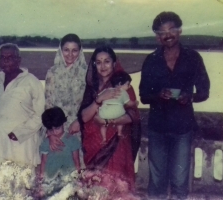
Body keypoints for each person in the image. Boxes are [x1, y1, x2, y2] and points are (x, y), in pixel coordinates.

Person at [139, 11, 210, 199]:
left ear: (179, 31)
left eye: (171, 30)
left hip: (183, 128)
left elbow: (204, 92)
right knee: (157, 181)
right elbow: (144, 96)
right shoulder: (151, 61)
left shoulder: (193, 58)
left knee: (180, 181)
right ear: (157, 36)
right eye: (162, 32)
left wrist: (190, 96)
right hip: (157, 128)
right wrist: (157, 95)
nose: (167, 35)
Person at [78, 45, 139, 197]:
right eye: (98, 62)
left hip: (116, 144)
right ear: (94, 65)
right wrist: (99, 99)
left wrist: (108, 122)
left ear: (114, 63)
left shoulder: (123, 85)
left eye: (107, 61)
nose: (103, 66)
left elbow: (133, 115)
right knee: (96, 189)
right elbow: (84, 117)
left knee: (116, 187)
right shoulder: (91, 87)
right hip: (94, 145)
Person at [0, 43, 45, 168]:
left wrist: (20, 133)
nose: (6, 61)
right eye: (3, 57)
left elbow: (41, 115)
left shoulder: (31, 81)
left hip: (22, 144)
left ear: (19, 60)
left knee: (21, 184)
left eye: (10, 57)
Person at [44, 33, 88, 153]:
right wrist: (50, 131)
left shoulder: (86, 73)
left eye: (74, 50)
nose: (70, 54)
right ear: (60, 50)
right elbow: (48, 104)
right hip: (57, 129)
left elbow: (89, 102)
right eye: (66, 50)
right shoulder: (52, 73)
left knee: (78, 167)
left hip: (80, 127)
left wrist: (79, 121)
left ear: (80, 51)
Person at [38, 106, 81, 180]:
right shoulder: (46, 141)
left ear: (63, 123)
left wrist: (78, 175)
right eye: (51, 129)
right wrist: (41, 177)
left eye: (57, 128)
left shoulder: (72, 139)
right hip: (51, 176)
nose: (54, 132)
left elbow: (76, 159)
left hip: (68, 176)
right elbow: (43, 161)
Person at [99, 71, 138, 143]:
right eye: (128, 84)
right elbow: (129, 103)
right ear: (120, 84)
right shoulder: (123, 92)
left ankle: (104, 138)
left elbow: (99, 97)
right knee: (121, 121)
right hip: (118, 112)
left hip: (105, 112)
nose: (129, 86)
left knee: (103, 125)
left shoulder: (106, 90)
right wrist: (134, 103)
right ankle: (119, 133)